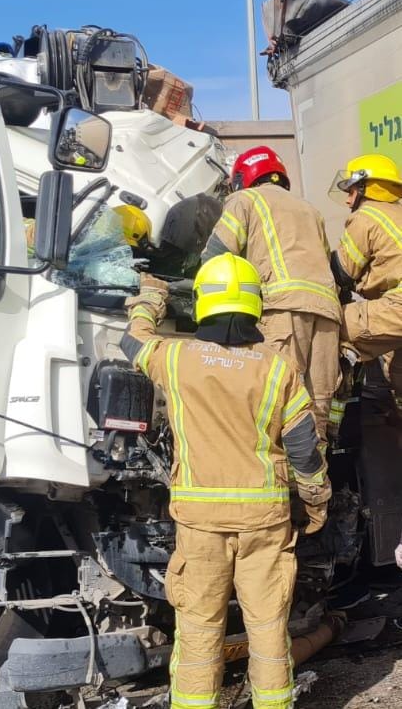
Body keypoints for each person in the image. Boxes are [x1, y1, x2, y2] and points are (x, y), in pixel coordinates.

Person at [121, 253, 331, 709]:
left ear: (202, 304)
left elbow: (132, 342)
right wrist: (316, 504)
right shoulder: (278, 369)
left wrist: (151, 299)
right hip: (265, 524)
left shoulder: (176, 360)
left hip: (200, 526)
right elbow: (304, 451)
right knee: (268, 628)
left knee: (198, 630)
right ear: (255, 305)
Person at [202, 146, 341, 451]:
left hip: (282, 309)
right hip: (329, 314)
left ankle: (273, 490)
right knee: (316, 408)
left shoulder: (244, 200)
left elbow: (216, 257)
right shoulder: (310, 210)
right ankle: (312, 492)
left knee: (277, 401)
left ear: (242, 177)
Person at [329, 154, 402, 401]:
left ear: (364, 187)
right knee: (396, 372)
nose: (348, 200)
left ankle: (341, 403)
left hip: (398, 307)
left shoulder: (366, 216)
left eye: (350, 190)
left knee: (332, 322)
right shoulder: (396, 213)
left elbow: (342, 271)